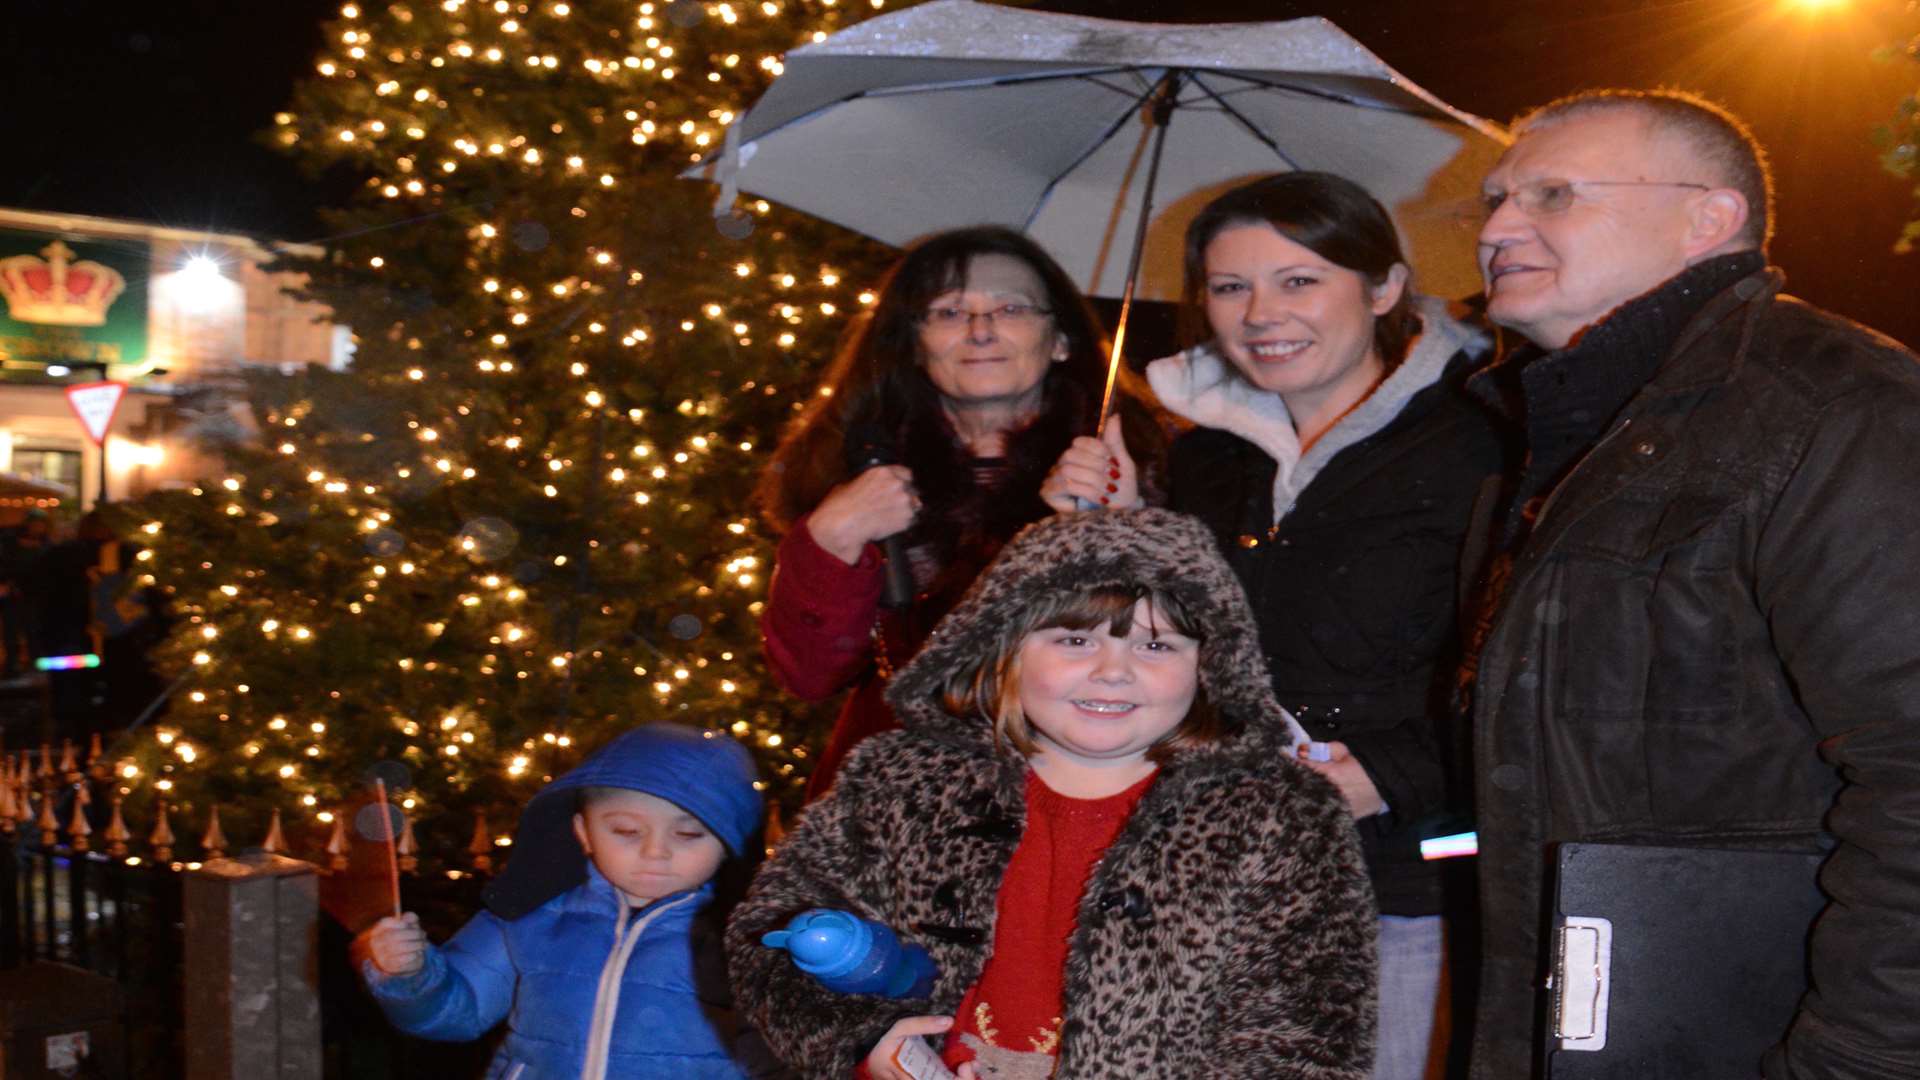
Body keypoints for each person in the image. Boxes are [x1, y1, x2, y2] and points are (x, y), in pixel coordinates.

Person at [1462, 89, 1920, 1078]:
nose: (1498, 227)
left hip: (1761, 1038)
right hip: (1592, 1031)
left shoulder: (1833, 405)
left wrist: (1852, 1063)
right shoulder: (1559, 438)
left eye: (1553, 194)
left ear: (1708, 219)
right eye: (1494, 200)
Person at [1045, 172, 1508, 1080]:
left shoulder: (1480, 442)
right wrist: (1123, 530)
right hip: (1218, 876)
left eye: (1299, 281)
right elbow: (1167, 652)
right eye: (1229, 287)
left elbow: (1533, 666)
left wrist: (1394, 773)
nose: (1261, 313)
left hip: (1406, 885)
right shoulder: (1208, 457)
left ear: (1382, 289)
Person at [728, 508, 1376, 1080]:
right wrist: (860, 1042)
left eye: (1156, 644)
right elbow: (773, 931)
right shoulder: (903, 786)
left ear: (1212, 667)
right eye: (1074, 638)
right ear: (1002, 649)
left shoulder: (1275, 818)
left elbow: (1302, 1030)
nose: (1113, 670)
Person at [756, 226, 1166, 800]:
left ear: (1061, 340)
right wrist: (830, 539)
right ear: (914, 344)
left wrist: (1118, 531)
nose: (980, 330)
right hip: (899, 802)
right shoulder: (858, 472)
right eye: (948, 313)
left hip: (1074, 796)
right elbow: (808, 676)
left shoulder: (1145, 467)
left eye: (1010, 308)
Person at [357, 723, 782, 1078]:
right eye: (627, 831)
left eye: (688, 834)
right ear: (582, 832)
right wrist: (410, 976)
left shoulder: (749, 938)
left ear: (729, 841)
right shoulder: (531, 915)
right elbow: (457, 1012)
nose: (656, 852)